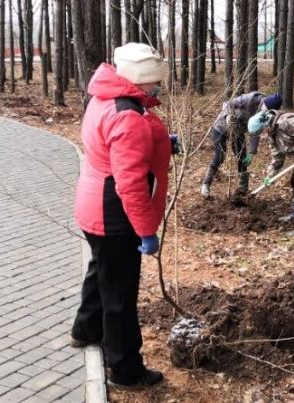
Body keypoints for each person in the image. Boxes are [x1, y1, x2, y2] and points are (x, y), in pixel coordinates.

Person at [71, 43, 175, 387]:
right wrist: (146, 231)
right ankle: (126, 370)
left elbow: (117, 146)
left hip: (93, 205)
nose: (156, 87)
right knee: (120, 296)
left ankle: (85, 330)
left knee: (100, 271)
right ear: (141, 80)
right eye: (153, 82)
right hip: (114, 216)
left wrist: (161, 141)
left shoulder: (104, 97)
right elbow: (129, 183)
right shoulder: (127, 116)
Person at [200, 91, 283, 198]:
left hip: (238, 132)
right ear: (264, 103)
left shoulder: (266, 114)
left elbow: (255, 133)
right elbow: (227, 103)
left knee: (242, 158)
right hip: (221, 127)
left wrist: (251, 152)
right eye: (265, 110)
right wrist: (229, 116)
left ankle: (243, 189)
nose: (264, 113)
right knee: (220, 156)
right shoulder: (250, 99)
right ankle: (206, 184)